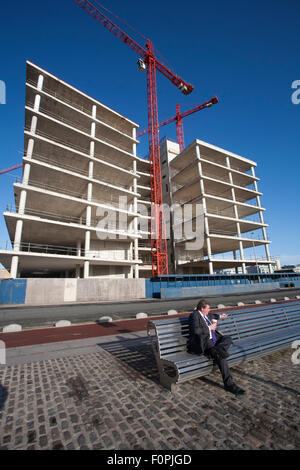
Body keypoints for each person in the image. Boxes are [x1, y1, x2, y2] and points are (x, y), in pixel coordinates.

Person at [187, 298, 245, 396]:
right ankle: (229, 384)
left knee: (227, 338)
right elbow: (196, 331)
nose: (209, 310)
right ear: (202, 308)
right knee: (221, 357)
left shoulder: (205, 314)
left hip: (214, 341)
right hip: (205, 342)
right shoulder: (194, 316)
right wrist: (209, 328)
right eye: (208, 309)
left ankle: (217, 350)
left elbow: (212, 315)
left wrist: (220, 316)